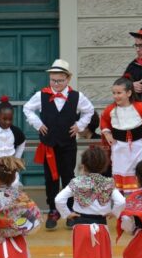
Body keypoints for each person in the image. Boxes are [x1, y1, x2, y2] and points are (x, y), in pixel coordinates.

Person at [54, 147, 125, 258]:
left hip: (81, 229)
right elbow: (122, 202)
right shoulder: (108, 183)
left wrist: (67, 214)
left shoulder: (77, 182)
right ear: (104, 165)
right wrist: (112, 212)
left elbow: (59, 199)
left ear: (83, 165)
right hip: (101, 228)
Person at [23, 59, 95, 230]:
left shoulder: (77, 97)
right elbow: (27, 108)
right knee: (51, 179)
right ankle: (53, 210)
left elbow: (89, 111)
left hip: (68, 145)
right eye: (53, 80)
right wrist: (37, 124)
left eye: (60, 81)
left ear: (68, 79)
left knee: (68, 176)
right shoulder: (42, 95)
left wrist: (80, 126)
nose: (56, 84)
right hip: (49, 145)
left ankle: (70, 210)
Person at [100, 77, 142, 196]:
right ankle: (121, 202)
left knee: (138, 170)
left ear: (129, 93)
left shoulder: (141, 107)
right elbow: (104, 120)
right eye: (114, 93)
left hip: (138, 146)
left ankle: (138, 198)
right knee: (119, 171)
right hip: (118, 147)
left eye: (119, 93)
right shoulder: (110, 109)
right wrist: (107, 134)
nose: (116, 96)